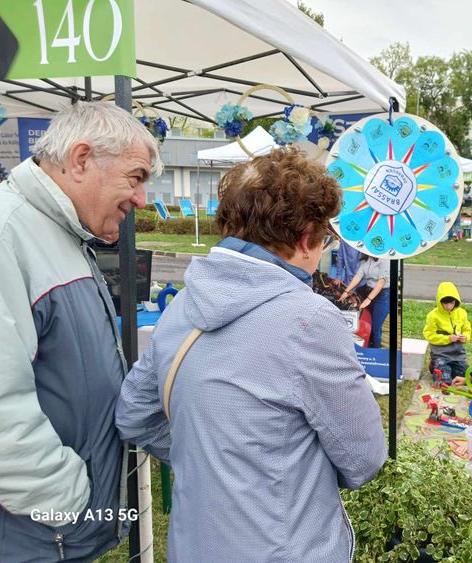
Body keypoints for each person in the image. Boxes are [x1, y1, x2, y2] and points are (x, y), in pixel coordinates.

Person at [115, 147, 387, 562]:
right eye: (326, 237)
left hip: (195, 544)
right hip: (284, 547)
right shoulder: (309, 319)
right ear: (304, 238)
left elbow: (134, 413)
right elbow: (363, 458)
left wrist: (213, 459)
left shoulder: (182, 307)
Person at [0, 102, 161, 561]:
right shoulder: (5, 235)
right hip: (29, 534)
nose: (143, 200)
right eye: (137, 177)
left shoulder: (58, 230)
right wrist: (64, 505)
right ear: (82, 158)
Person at [423, 282, 472, 384]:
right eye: (445, 303)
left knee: (467, 376)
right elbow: (429, 335)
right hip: (441, 354)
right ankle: (436, 364)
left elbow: (467, 329)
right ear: (439, 301)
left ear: (456, 301)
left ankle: (444, 367)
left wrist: (465, 337)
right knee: (444, 381)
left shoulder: (462, 313)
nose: (449, 306)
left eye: (452, 303)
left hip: (458, 354)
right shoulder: (433, 316)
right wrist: (448, 338)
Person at [339, 254, 390, 348]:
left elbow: (381, 281)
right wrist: (346, 291)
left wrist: (369, 299)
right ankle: (367, 348)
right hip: (369, 291)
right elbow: (358, 276)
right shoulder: (366, 259)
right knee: (368, 325)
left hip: (383, 294)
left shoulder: (384, 259)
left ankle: (375, 351)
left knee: (375, 328)